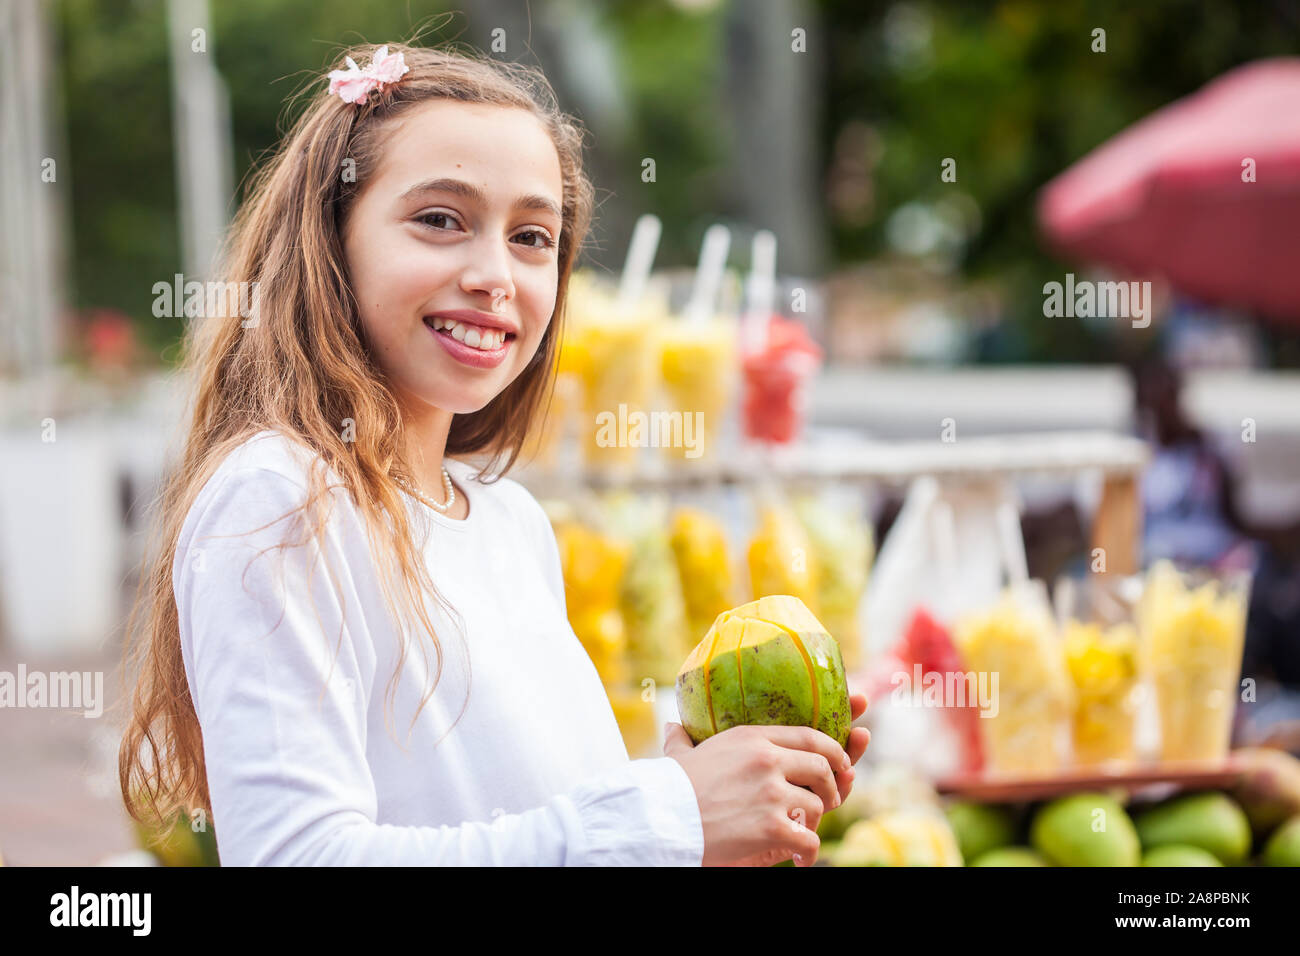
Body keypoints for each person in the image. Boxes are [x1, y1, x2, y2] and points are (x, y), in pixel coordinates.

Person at [117, 42, 868, 867]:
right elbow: (300, 858)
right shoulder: (281, 498)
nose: (494, 275)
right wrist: (665, 818)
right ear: (329, 240)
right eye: (440, 219)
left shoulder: (510, 518)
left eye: (533, 236)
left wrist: (697, 796)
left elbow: (527, 820)